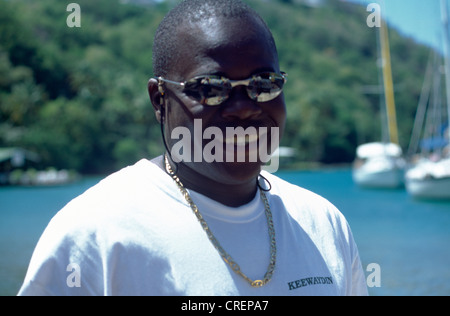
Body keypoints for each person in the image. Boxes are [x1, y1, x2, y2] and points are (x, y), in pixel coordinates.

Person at [18, 0, 368, 296]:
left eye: (264, 84)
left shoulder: (324, 224)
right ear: (160, 100)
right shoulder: (94, 235)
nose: (244, 106)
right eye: (211, 87)